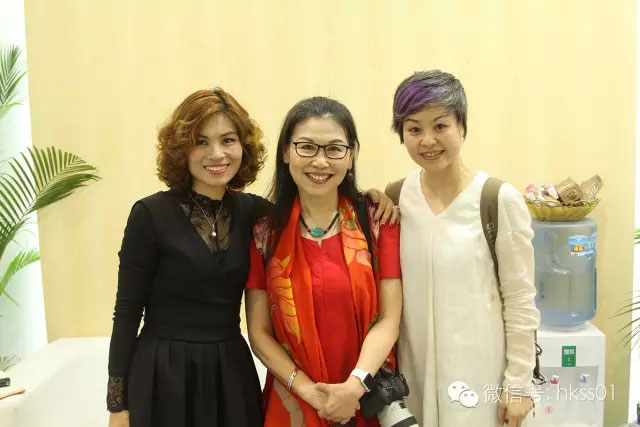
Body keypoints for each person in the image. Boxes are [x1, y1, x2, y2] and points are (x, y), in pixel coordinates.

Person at [107, 88, 397, 427]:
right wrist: (117, 405)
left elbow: (319, 202)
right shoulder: (150, 214)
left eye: (228, 140)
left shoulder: (255, 216)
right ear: (181, 147)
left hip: (230, 371)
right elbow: (126, 311)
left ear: (243, 146)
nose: (217, 153)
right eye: (201, 142)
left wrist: (373, 197)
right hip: (164, 370)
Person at [387, 70, 540, 427]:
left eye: (440, 126)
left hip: (481, 377)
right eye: (414, 129)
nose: (428, 140)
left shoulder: (497, 200)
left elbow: (520, 298)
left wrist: (518, 384)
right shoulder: (396, 198)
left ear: (461, 126)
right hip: (416, 375)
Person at [246, 96, 403, 427]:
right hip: (294, 401)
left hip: (365, 397)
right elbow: (258, 331)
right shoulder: (264, 235)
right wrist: (313, 394)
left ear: (351, 156)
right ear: (286, 152)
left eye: (334, 149)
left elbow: (390, 318)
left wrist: (353, 387)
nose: (320, 161)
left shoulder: (377, 223)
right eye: (306, 147)